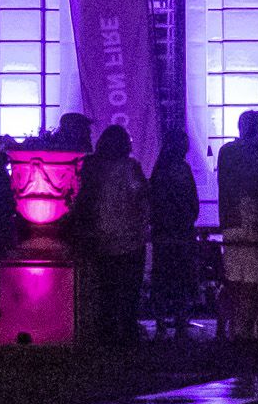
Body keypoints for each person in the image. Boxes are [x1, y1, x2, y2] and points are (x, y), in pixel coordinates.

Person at [71, 122, 148, 346]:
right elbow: (140, 194)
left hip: (98, 239)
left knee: (104, 291)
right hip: (129, 240)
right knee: (129, 291)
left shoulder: (90, 167)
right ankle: (127, 335)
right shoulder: (129, 167)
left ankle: (104, 334)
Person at [215, 110, 258, 347]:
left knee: (238, 282)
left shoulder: (226, 152)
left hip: (232, 222)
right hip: (254, 224)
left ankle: (239, 330)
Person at [145, 125, 201, 338]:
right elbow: (193, 203)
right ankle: (179, 322)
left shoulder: (159, 170)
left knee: (162, 278)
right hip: (182, 234)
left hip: (163, 235)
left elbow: (153, 202)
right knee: (181, 279)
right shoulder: (182, 169)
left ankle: (160, 323)